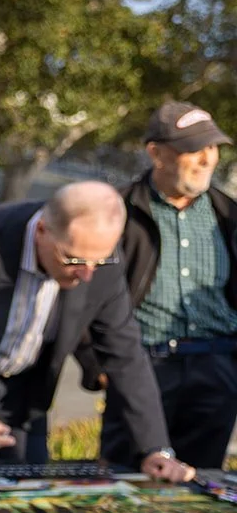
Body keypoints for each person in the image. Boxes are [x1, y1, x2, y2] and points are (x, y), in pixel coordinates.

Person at [0, 181, 194, 481]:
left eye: (98, 262)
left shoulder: (99, 259)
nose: (87, 275)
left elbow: (125, 355)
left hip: (19, 389)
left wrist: (155, 448)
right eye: (73, 260)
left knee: (26, 499)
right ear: (42, 230)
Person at [95, 103, 237, 469]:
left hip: (216, 367)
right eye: (195, 148)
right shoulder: (117, 210)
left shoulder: (229, 214)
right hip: (141, 367)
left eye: (213, 147)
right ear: (156, 153)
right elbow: (83, 292)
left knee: (201, 493)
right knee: (125, 488)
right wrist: (97, 364)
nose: (207, 159)